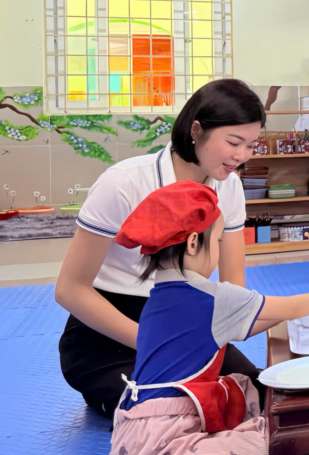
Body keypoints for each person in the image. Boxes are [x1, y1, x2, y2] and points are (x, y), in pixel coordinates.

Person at [108, 181, 309, 455]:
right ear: (193, 243)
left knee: (242, 387)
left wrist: (292, 313)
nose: (218, 252)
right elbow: (291, 306)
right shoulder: (209, 297)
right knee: (273, 449)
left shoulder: (161, 296)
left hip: (136, 433)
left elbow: (247, 323)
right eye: (217, 241)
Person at [56, 78, 266, 417]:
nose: (241, 156)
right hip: (107, 336)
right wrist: (154, 342)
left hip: (184, 324)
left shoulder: (229, 188)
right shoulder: (123, 183)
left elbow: (233, 286)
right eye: (233, 142)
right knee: (176, 411)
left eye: (251, 145)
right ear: (196, 130)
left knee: (256, 397)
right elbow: (69, 289)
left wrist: (216, 334)